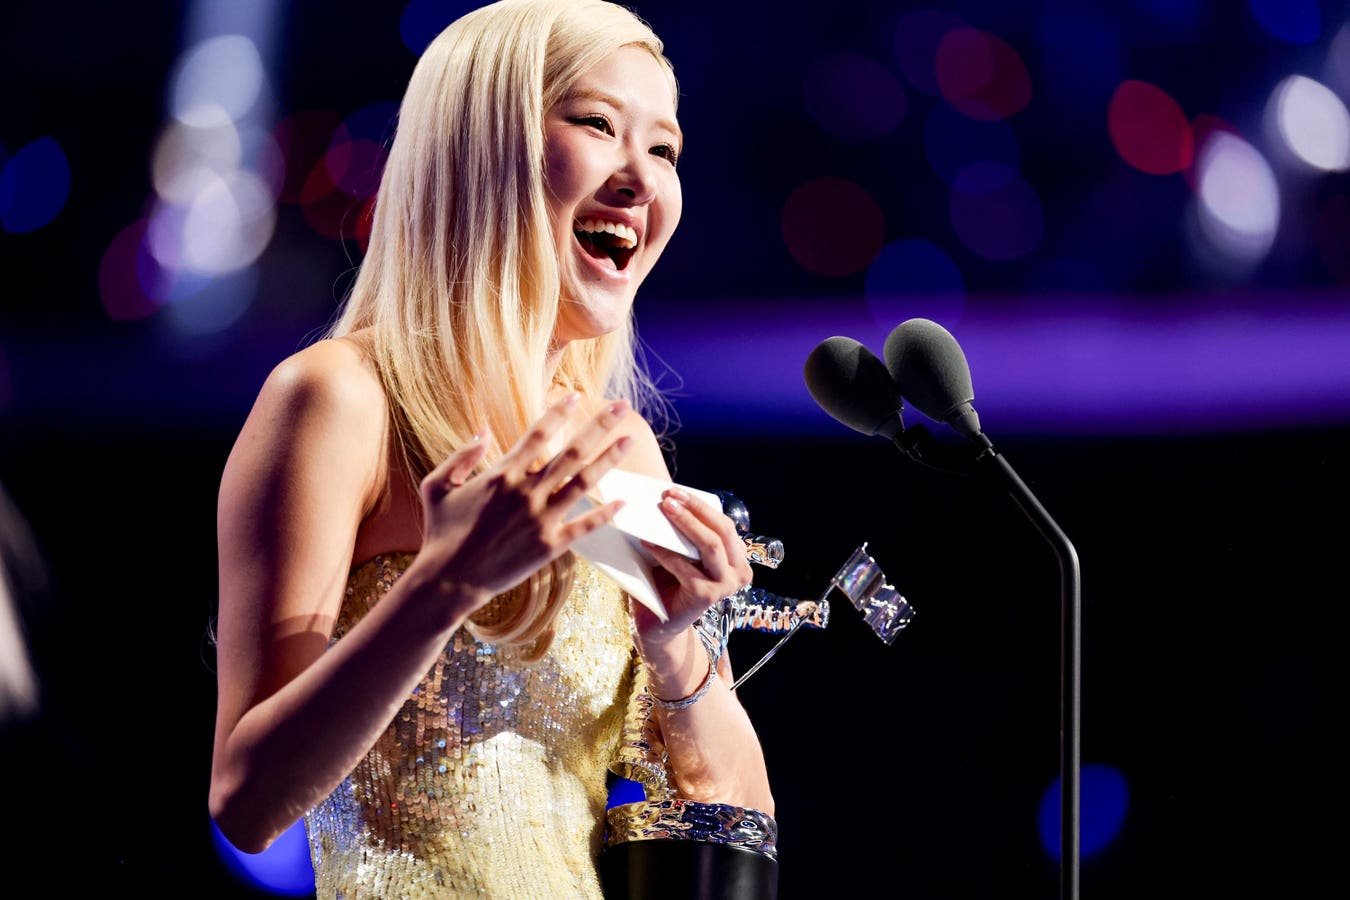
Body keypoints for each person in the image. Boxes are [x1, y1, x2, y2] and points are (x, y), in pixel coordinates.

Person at [207, 0, 774, 895]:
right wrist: (447, 585)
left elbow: (736, 815)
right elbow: (246, 801)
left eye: (665, 149)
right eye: (598, 125)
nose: (641, 178)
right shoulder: (338, 401)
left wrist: (675, 647)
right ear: (479, 148)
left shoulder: (617, 451)